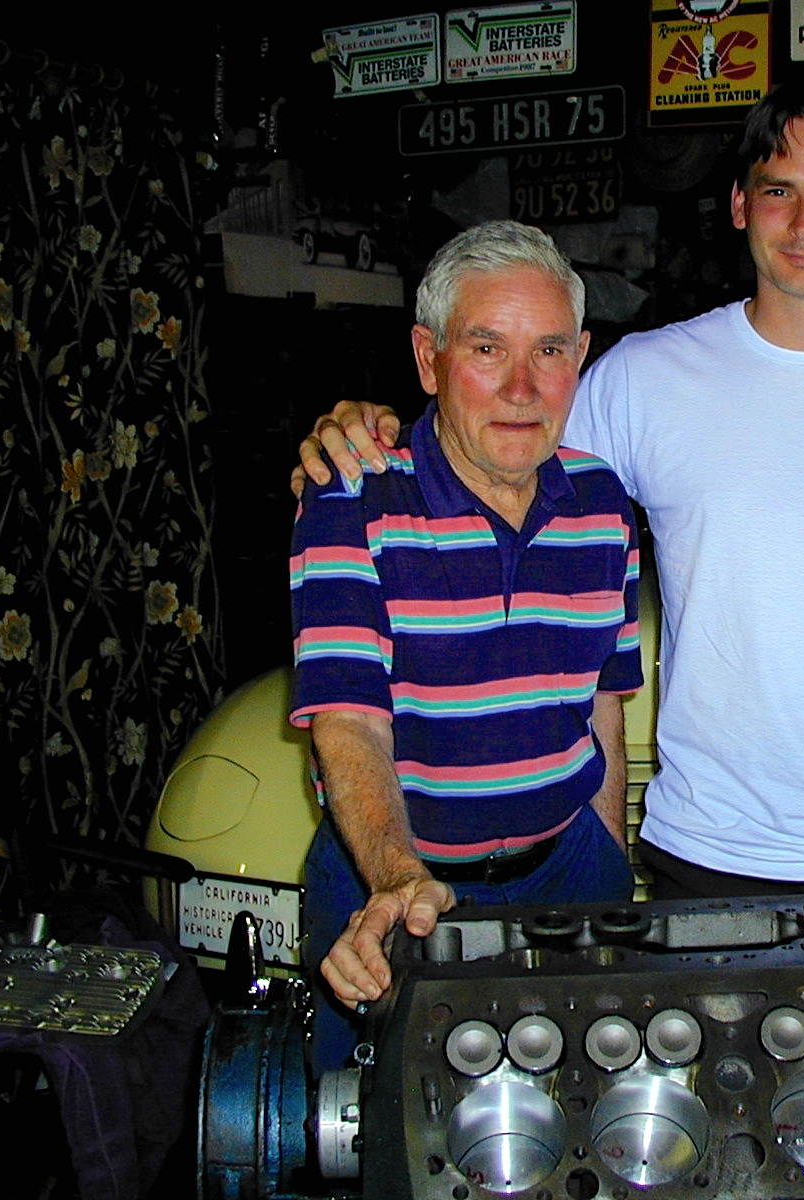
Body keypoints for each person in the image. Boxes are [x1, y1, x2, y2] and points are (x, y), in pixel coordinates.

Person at [297, 83, 804, 900]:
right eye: (778, 192)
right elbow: (497, 423)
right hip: (708, 848)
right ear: (738, 206)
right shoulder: (643, 380)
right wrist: (362, 430)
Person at [290, 220, 641, 1070]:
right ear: (428, 358)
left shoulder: (603, 502)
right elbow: (351, 724)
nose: (523, 387)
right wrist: (397, 877)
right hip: (395, 889)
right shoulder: (354, 496)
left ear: (581, 356)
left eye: (551, 351)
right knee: (370, 1134)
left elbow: (603, 714)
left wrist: (613, 879)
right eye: (487, 348)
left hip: (568, 873)